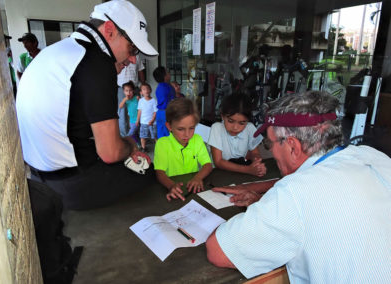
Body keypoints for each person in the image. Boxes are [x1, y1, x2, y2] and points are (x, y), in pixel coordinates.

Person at [206, 91, 391, 282]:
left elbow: (218, 251)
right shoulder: (373, 156)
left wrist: (266, 206)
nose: (270, 151)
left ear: (293, 147)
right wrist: (260, 191)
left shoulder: (295, 193)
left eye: (269, 143)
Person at [16, 0, 159, 210]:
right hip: (69, 185)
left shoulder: (58, 52)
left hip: (38, 177)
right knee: (148, 171)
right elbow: (110, 153)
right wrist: (130, 144)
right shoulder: (96, 63)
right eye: (132, 48)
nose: (130, 59)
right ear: (109, 30)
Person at [154, 98, 212, 201]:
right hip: (172, 189)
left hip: (192, 188)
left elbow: (207, 165)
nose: (187, 134)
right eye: (181, 129)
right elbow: (160, 172)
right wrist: (171, 186)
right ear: (169, 126)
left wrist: (198, 178)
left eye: (191, 128)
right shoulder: (162, 144)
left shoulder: (197, 140)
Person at [208, 94, 267, 177]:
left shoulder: (250, 128)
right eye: (230, 121)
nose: (235, 127)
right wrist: (247, 170)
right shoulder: (217, 128)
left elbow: (254, 153)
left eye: (242, 123)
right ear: (222, 116)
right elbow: (218, 162)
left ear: (247, 121)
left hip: (240, 174)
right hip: (218, 174)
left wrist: (257, 163)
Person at [117, 54, 146, 137]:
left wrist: (143, 86)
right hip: (121, 89)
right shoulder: (118, 56)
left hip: (135, 89)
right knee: (122, 112)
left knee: (137, 112)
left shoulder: (136, 57)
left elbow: (140, 71)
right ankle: (124, 137)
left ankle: (138, 137)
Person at [153, 66, 175, 138]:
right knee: (169, 134)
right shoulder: (168, 87)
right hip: (167, 113)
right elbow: (173, 101)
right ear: (165, 77)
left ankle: (160, 148)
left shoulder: (159, 87)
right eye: (168, 73)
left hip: (159, 112)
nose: (169, 74)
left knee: (161, 134)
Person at [136, 82, 157, 152]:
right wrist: (137, 120)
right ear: (141, 92)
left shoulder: (154, 101)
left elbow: (155, 112)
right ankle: (143, 148)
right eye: (144, 89)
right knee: (143, 136)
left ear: (150, 90)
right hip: (143, 122)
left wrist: (153, 120)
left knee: (155, 136)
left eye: (148, 89)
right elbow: (139, 111)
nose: (146, 91)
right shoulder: (141, 101)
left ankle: (158, 148)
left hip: (152, 123)